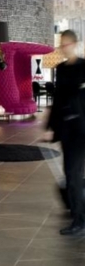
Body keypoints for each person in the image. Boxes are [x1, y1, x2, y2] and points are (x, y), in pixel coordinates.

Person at [47, 30, 85, 236]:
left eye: (66, 44)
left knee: (73, 174)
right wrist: (50, 127)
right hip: (68, 130)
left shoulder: (83, 67)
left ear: (75, 44)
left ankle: (79, 219)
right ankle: (78, 215)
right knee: (72, 173)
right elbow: (58, 99)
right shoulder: (60, 69)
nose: (63, 48)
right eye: (61, 44)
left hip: (82, 129)